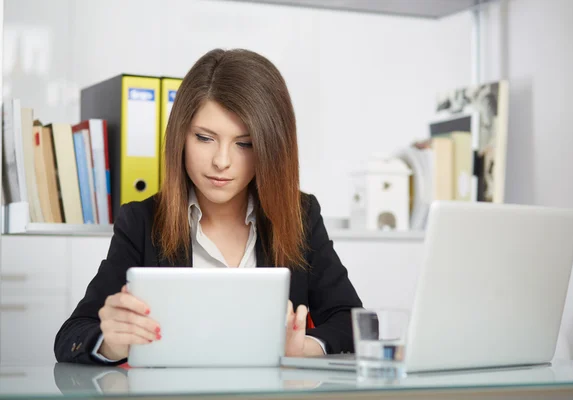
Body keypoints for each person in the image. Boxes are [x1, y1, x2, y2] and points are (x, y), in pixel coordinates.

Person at [54, 48, 363, 365]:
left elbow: (355, 324)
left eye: (245, 144)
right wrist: (112, 343)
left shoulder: (300, 215)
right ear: (180, 137)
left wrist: (302, 349)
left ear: (271, 148)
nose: (222, 161)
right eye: (204, 138)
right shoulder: (141, 220)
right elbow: (72, 337)